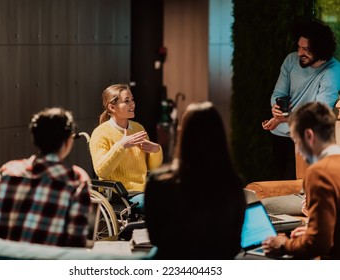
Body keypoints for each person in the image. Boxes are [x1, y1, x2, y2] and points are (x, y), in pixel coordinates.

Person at [145, 101, 246, 259]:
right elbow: (234, 244)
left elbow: (155, 239)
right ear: (220, 135)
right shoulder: (233, 184)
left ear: (183, 134)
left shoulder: (159, 183)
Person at [261, 18, 340, 216]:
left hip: (303, 141)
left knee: (295, 189)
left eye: (306, 50)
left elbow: (318, 112)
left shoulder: (333, 71)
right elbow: (277, 94)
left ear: (320, 50)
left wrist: (283, 118)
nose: (300, 53)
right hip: (280, 135)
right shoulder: (290, 61)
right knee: (282, 184)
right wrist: (277, 109)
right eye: (299, 47)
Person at [0, 107, 91, 247]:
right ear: (68, 141)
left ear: (35, 138)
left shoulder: (9, 170)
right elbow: (77, 239)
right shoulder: (76, 179)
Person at [262, 102, 340, 259]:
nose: (297, 150)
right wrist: (315, 230)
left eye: (296, 141)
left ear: (309, 136)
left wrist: (283, 244)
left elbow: (318, 244)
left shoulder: (319, 172)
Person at [89, 83, 163, 210]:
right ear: (112, 107)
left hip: (144, 191)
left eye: (132, 100)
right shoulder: (100, 133)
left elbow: (152, 167)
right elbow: (101, 170)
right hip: (120, 194)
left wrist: (156, 150)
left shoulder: (138, 128)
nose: (132, 104)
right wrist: (121, 146)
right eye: (126, 101)